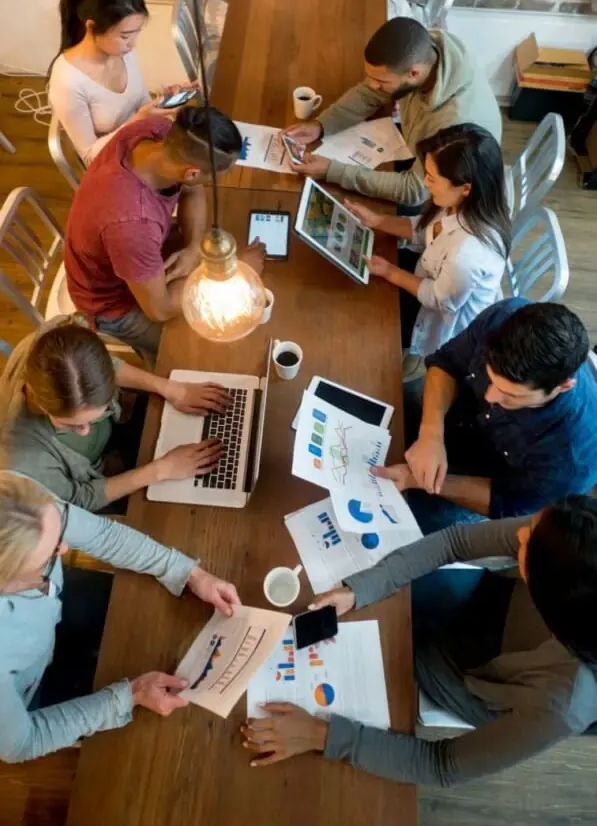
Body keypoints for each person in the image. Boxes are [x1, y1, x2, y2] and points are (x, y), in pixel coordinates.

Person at [241, 496, 597, 787]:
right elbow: (454, 541)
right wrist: (362, 588)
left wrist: (320, 736)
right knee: (374, 606)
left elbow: (441, 765)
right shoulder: (562, 539)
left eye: (527, 545)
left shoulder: (564, 706)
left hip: (481, 682)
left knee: (380, 657)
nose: (520, 534)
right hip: (489, 604)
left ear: (550, 598)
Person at [0, 471, 241, 763]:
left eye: (60, 531)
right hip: (31, 695)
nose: (65, 548)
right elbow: (23, 742)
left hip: (56, 607)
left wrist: (189, 573)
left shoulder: (17, 502)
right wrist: (131, 696)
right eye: (49, 556)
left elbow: (102, 535)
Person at [64, 103, 265, 359]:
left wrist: (193, 249)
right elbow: (160, 309)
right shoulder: (132, 225)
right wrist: (234, 272)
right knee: (203, 352)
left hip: (139, 257)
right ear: (192, 172)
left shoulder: (157, 133)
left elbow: (192, 189)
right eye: (215, 176)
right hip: (114, 305)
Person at [383, 298, 597, 534]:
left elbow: (507, 502)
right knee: (374, 404)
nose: (490, 396)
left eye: (510, 394)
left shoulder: (573, 459)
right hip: (450, 406)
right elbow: (447, 362)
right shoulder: (505, 318)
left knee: (399, 530)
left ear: (563, 386)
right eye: (489, 376)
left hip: (479, 478)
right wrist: (431, 433)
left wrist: (425, 481)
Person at [0, 318, 228, 511]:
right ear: (37, 400)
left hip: (121, 421)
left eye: (93, 417)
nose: (85, 431)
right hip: (98, 481)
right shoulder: (22, 459)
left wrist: (171, 388)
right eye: (71, 425)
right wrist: (161, 470)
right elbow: (78, 499)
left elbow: (109, 366)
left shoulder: (58, 343)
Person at [345, 124, 510, 381]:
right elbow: (425, 231)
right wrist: (377, 221)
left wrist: (389, 271)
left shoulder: (467, 255)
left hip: (442, 322)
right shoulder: (463, 205)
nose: (425, 183)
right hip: (430, 272)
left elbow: (437, 297)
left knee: (365, 323)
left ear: (465, 188)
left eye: (432, 178)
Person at [284, 16, 502, 211]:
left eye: (380, 81)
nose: (371, 85)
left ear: (414, 73)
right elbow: (371, 94)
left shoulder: (453, 125)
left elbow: (415, 191)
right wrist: (321, 125)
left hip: (442, 196)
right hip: (416, 147)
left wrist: (333, 171)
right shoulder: (425, 52)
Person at [48, 0, 172, 166]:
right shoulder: (67, 81)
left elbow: (140, 100)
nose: (132, 44)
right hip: (111, 163)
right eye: (125, 36)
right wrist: (139, 119)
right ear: (91, 27)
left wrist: (163, 103)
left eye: (135, 33)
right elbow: (90, 156)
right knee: (190, 177)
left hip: (140, 140)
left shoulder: (122, 52)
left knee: (202, 154)